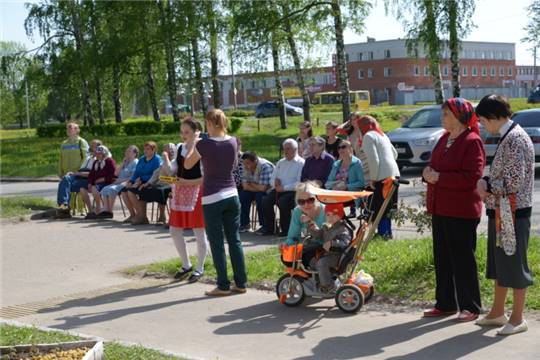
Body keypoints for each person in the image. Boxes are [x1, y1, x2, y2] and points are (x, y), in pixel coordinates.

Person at [422, 97, 485, 322]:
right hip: (440, 208)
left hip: (461, 210)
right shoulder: (444, 138)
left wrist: (439, 177)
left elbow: (472, 178)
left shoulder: (471, 140)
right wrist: (428, 173)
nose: (442, 117)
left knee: (462, 260)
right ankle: (445, 303)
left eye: (446, 113)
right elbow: (434, 164)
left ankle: (471, 306)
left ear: (459, 116)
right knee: (443, 258)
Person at [475, 94, 534, 335]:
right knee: (500, 262)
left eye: (482, 120)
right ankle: (498, 312)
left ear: (494, 117)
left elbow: (514, 181)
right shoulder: (510, 135)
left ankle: (518, 318)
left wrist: (486, 187)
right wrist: (487, 181)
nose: (482, 125)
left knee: (514, 263)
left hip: (514, 212)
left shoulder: (515, 139)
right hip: (504, 210)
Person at [184, 109, 247, 296]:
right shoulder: (234, 141)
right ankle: (241, 282)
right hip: (232, 194)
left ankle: (223, 285)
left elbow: (187, 164)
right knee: (235, 240)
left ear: (210, 123)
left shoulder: (204, 144)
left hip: (213, 196)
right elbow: (233, 165)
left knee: (217, 242)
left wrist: (194, 144)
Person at [163, 119, 208, 283]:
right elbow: (173, 169)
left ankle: (200, 268)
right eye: (182, 132)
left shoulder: (203, 147)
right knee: (174, 230)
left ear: (197, 131)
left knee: (199, 232)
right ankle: (186, 264)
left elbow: (206, 178)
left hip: (197, 192)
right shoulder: (181, 147)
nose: (183, 135)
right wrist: (166, 159)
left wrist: (185, 182)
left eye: (187, 132)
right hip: (181, 192)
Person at [358, 115, 400, 238]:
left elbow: (373, 160)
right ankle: (387, 233)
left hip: (381, 177)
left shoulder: (368, 136)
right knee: (388, 207)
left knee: (378, 207)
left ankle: (383, 234)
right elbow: (395, 154)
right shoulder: (383, 135)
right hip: (394, 174)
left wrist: (374, 178)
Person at [261, 138, 305, 236]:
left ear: (295, 149)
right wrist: (274, 183)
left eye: (288, 148)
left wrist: (284, 188)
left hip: (292, 191)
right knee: (265, 201)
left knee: (283, 202)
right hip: (278, 189)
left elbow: (299, 183)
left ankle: (286, 229)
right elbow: (272, 179)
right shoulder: (281, 162)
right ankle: (271, 228)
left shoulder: (301, 163)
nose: (285, 151)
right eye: (284, 148)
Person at [304, 202, 352, 293]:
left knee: (322, 263)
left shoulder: (342, 228)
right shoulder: (328, 226)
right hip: (329, 254)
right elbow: (318, 234)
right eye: (328, 215)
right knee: (313, 262)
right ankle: (322, 280)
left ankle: (328, 286)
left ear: (340, 216)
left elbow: (345, 242)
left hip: (338, 256)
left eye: (335, 215)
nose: (331, 217)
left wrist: (332, 243)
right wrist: (310, 224)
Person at [55, 139, 101, 219]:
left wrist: (78, 173)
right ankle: (64, 205)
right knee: (65, 179)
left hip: (88, 181)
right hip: (79, 177)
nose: (91, 147)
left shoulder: (99, 159)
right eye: (91, 145)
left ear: (99, 148)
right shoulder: (88, 158)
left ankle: (64, 209)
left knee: (65, 183)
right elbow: (81, 170)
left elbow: (94, 174)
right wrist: (73, 173)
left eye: (94, 146)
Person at [284, 182, 326, 266]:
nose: (306, 204)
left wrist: (310, 223)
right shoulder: (297, 211)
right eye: (301, 201)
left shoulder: (326, 211)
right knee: (286, 257)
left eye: (310, 200)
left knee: (307, 256)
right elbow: (292, 236)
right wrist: (287, 245)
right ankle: (306, 276)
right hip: (308, 246)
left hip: (325, 247)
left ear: (317, 198)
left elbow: (326, 238)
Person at [123, 141, 162, 225]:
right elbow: (136, 172)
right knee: (124, 190)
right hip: (141, 181)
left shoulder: (157, 159)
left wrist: (143, 181)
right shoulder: (142, 159)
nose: (145, 151)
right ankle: (136, 215)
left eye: (148, 149)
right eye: (144, 149)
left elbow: (155, 175)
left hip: (152, 182)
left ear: (154, 150)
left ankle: (141, 216)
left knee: (132, 192)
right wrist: (131, 181)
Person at [98, 145, 139, 219]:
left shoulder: (135, 162)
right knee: (105, 189)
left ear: (135, 153)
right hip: (118, 182)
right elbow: (116, 174)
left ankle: (110, 211)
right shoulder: (126, 162)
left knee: (111, 189)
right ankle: (106, 210)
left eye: (129, 151)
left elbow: (133, 177)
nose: (127, 152)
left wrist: (119, 181)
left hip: (127, 182)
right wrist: (123, 163)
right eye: (127, 151)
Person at [238, 151, 274, 233]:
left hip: (270, 191)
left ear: (255, 161)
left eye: (248, 163)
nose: (245, 166)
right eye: (244, 163)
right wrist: (256, 186)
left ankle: (264, 225)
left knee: (260, 197)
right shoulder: (245, 166)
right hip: (257, 189)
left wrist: (250, 184)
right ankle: (244, 224)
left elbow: (263, 188)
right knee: (243, 195)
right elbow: (245, 186)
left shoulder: (265, 166)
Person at [80, 145, 116, 219]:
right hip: (96, 184)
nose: (97, 155)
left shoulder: (109, 161)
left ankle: (98, 209)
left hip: (106, 183)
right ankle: (90, 211)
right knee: (82, 189)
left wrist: (103, 179)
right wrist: (89, 183)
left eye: (99, 153)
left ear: (104, 153)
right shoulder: (96, 162)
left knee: (94, 188)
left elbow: (113, 175)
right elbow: (91, 175)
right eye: (97, 153)